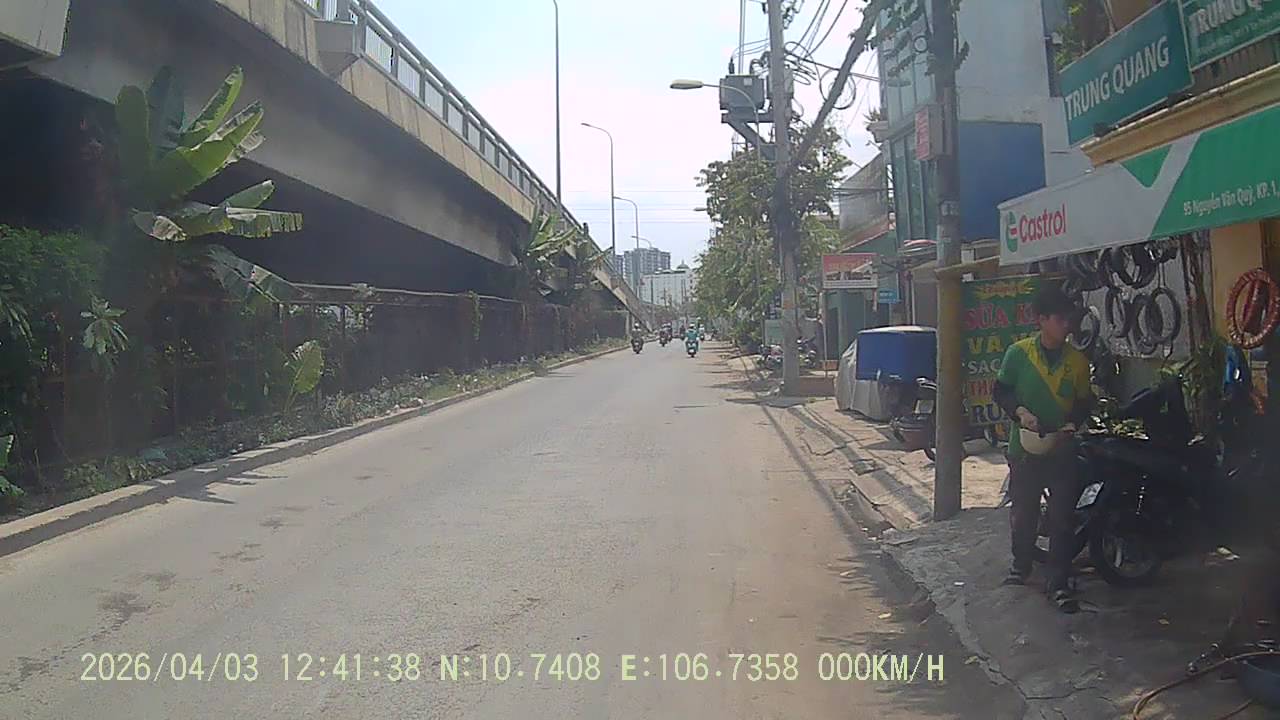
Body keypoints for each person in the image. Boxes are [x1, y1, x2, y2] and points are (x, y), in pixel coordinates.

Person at [993, 283, 1093, 614]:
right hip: (1024, 447)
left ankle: (1058, 582)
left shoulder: (1078, 362)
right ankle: (1020, 565)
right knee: (1025, 512)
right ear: (1041, 320)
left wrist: (1072, 425)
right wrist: (1020, 413)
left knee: (1062, 518)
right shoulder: (1018, 354)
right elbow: (1001, 391)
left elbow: (1084, 402)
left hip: (1061, 448)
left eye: (1068, 319)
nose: (1066, 325)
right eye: (1060, 319)